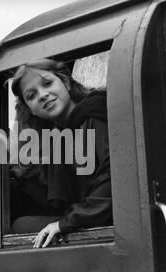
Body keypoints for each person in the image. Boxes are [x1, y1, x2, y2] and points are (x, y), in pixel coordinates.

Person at [9, 58, 113, 248]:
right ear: (30, 110)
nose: (42, 95)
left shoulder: (95, 114)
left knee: (20, 228)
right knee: (19, 223)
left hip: (107, 217)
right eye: (31, 96)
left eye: (47, 83)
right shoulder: (60, 137)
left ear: (65, 82)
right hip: (89, 214)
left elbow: (114, 179)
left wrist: (65, 223)